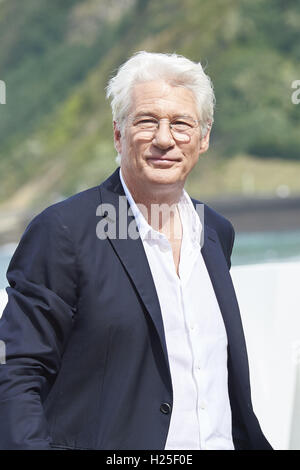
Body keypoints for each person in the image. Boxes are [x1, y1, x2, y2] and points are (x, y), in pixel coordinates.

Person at [0, 51, 272, 450]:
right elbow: (17, 368)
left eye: (181, 124)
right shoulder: (64, 231)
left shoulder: (215, 232)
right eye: (147, 121)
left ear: (204, 137)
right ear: (117, 134)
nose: (165, 139)